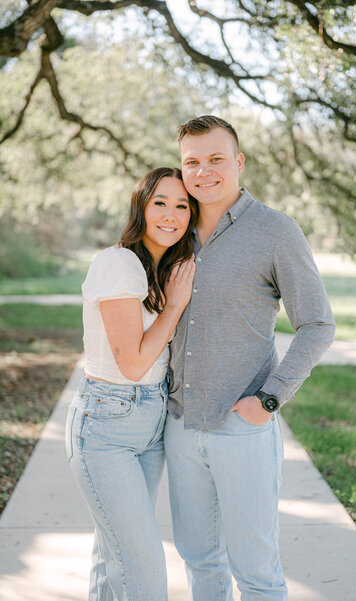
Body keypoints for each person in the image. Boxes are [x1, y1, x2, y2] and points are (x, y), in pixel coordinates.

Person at [164, 116, 336, 601]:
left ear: (238, 162)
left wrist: (270, 399)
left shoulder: (276, 231)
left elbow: (318, 324)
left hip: (242, 427)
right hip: (179, 425)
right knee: (199, 561)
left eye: (216, 159)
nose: (204, 171)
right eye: (192, 162)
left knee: (257, 575)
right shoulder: (173, 230)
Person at [65, 167, 198, 601]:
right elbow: (134, 364)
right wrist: (175, 306)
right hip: (107, 424)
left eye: (182, 205)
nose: (171, 214)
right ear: (140, 207)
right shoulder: (118, 263)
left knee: (113, 555)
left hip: (150, 423)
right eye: (160, 201)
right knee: (142, 562)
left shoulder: (162, 269)